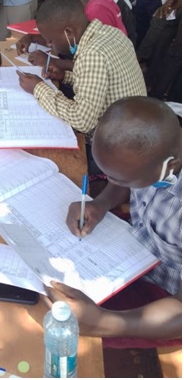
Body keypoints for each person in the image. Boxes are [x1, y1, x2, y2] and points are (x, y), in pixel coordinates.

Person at [48, 97, 181, 346]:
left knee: (60, 327)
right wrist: (101, 203)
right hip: (131, 250)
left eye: (122, 180)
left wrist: (106, 322)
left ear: (169, 167)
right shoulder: (164, 121)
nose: (112, 181)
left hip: (167, 300)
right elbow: (126, 172)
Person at [16, 0, 146, 138]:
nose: (49, 45)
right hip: (135, 122)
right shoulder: (111, 32)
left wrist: (38, 88)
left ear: (69, 33)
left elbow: (83, 121)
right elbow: (100, 81)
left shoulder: (91, 54)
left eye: (50, 41)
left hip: (118, 140)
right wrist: (65, 76)